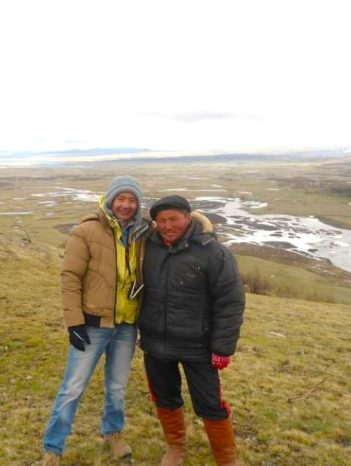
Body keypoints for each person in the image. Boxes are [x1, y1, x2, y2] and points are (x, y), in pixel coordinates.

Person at [42, 175, 152, 466]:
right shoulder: (87, 230)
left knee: (117, 387)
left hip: (127, 326)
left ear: (138, 204)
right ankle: (53, 449)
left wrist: (201, 226)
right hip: (92, 325)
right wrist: (74, 322)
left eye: (132, 200)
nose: (126, 205)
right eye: (121, 199)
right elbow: (70, 277)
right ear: (110, 200)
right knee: (72, 388)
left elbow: (177, 227)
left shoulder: (143, 233)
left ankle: (113, 434)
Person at [137, 195, 245, 466]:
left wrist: (222, 348)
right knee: (165, 398)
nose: (167, 225)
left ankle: (227, 458)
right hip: (156, 343)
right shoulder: (147, 247)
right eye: (161, 220)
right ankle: (175, 448)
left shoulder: (213, 252)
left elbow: (230, 302)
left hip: (198, 346)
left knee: (210, 404)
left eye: (173, 219)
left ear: (188, 217)